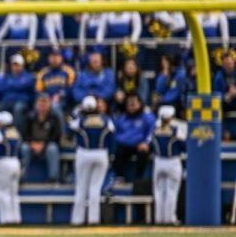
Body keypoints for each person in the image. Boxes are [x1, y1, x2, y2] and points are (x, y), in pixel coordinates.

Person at [69, 95, 114, 227]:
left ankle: (77, 220)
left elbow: (69, 129)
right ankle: (93, 220)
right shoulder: (106, 120)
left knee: (81, 187)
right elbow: (112, 138)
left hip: (84, 152)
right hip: (101, 153)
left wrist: (75, 114)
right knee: (95, 188)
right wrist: (111, 153)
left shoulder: (80, 121)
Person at [150, 105, 185, 225]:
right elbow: (184, 146)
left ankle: (159, 218)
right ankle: (170, 218)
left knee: (159, 192)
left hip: (158, 161)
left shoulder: (154, 129)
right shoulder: (176, 129)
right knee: (171, 191)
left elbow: (150, 145)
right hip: (172, 161)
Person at [0, 111, 22, 225]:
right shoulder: (16, 133)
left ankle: (6, 219)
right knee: (14, 192)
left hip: (3, 162)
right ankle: (16, 218)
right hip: (15, 161)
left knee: (3, 192)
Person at [113, 93, 155, 181]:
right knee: (119, 151)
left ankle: (138, 178)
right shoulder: (123, 117)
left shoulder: (147, 117)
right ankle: (119, 176)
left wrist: (146, 142)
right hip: (126, 145)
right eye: (129, 104)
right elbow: (117, 133)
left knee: (143, 153)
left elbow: (152, 131)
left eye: (134, 104)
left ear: (140, 104)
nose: (131, 107)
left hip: (141, 144)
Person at [22, 94, 63, 183]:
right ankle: (22, 176)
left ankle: (53, 177)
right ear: (36, 105)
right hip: (32, 145)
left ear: (49, 104)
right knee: (24, 148)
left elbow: (56, 136)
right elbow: (25, 134)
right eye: (41, 103)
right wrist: (32, 143)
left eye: (45, 103)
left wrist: (43, 145)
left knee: (53, 148)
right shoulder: (30, 117)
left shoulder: (54, 118)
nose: (43, 105)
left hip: (47, 145)